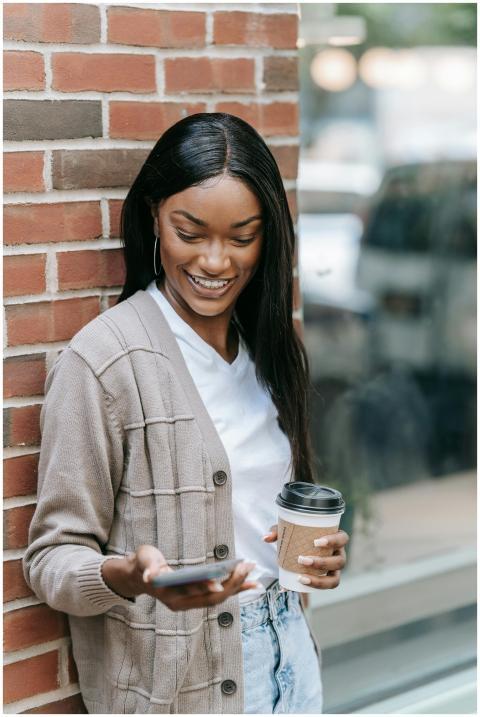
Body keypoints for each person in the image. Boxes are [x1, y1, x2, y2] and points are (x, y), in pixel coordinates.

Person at [23, 112, 349, 714]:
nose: (217, 261)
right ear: (154, 218)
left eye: (242, 236)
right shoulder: (105, 362)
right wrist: (129, 576)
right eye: (190, 232)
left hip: (289, 657)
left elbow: (264, 516)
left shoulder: (271, 351)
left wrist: (317, 557)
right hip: (184, 692)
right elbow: (50, 559)